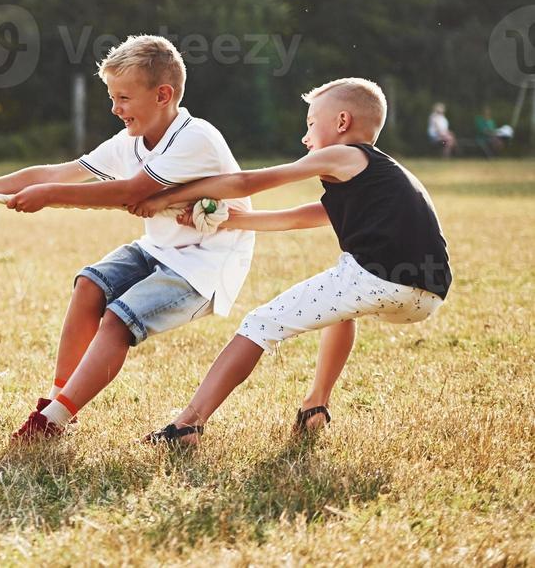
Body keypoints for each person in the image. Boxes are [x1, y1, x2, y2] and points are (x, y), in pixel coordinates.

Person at [0, 35, 255, 442]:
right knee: (89, 285)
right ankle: (57, 401)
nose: (114, 108)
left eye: (123, 98)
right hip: (158, 249)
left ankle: (52, 421)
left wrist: (50, 197)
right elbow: (55, 174)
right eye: (112, 97)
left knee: (118, 317)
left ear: (163, 95)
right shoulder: (131, 141)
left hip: (204, 265)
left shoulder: (196, 138)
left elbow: (129, 192)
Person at [130, 78, 451, 445]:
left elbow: (252, 180)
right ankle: (316, 406)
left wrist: (169, 197)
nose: (305, 137)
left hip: (379, 279)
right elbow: (298, 217)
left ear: (342, 122)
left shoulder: (345, 155)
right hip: (427, 295)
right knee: (341, 303)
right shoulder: (379, 176)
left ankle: (187, 425)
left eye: (312, 124)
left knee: (259, 323)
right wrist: (228, 221)